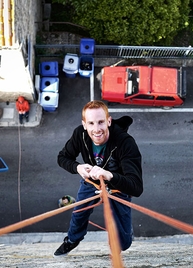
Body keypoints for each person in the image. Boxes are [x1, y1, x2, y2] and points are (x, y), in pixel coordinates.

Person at [54, 100, 143, 257]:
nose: (96, 129)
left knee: (123, 242)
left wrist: (109, 175)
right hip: (92, 182)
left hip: (117, 186)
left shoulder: (125, 143)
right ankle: (72, 240)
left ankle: (124, 236)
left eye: (101, 122)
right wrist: (77, 167)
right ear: (84, 124)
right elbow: (63, 157)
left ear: (109, 121)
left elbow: (136, 186)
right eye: (91, 123)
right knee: (79, 213)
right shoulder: (80, 135)